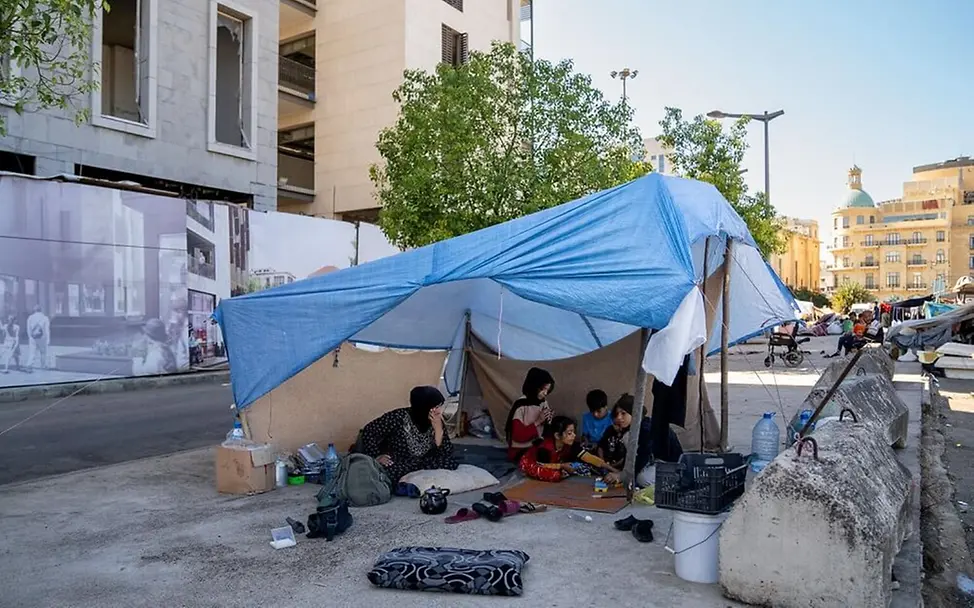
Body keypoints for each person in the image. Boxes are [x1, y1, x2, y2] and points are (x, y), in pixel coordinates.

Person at [358, 385, 458, 484]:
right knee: (390, 471)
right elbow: (369, 431)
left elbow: (446, 453)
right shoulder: (397, 417)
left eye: (440, 406)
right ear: (423, 407)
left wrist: (438, 431)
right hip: (400, 460)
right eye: (435, 407)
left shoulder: (436, 420)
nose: (439, 411)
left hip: (424, 461)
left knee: (450, 462)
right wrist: (377, 456)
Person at [600, 394, 683, 485]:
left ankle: (673, 482)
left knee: (641, 479)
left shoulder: (646, 428)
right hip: (653, 462)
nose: (619, 417)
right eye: (617, 414)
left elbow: (643, 454)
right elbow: (631, 456)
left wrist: (622, 475)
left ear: (634, 413)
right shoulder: (631, 430)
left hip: (670, 465)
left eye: (623, 413)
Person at [518, 415, 614, 482]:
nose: (574, 435)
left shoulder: (571, 444)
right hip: (534, 463)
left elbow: (590, 458)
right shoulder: (544, 449)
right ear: (557, 435)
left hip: (557, 462)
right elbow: (542, 465)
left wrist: (613, 469)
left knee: (585, 466)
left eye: (573, 432)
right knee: (555, 475)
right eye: (569, 433)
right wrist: (562, 466)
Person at [504, 367, 555, 461]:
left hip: (537, 446)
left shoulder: (543, 403)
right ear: (534, 386)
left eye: (547, 390)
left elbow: (545, 432)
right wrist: (538, 421)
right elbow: (517, 436)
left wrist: (548, 420)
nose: (545, 393)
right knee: (541, 458)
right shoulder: (521, 405)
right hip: (521, 449)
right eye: (543, 389)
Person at [26, 305, 51, 371]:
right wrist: (48, 339)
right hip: (42, 338)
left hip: (33, 337)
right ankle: (43, 365)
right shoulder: (45, 318)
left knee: (32, 352)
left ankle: (29, 364)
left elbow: (28, 328)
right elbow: (47, 329)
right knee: (43, 352)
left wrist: (30, 337)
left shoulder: (30, 317)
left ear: (34, 310)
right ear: (41, 310)